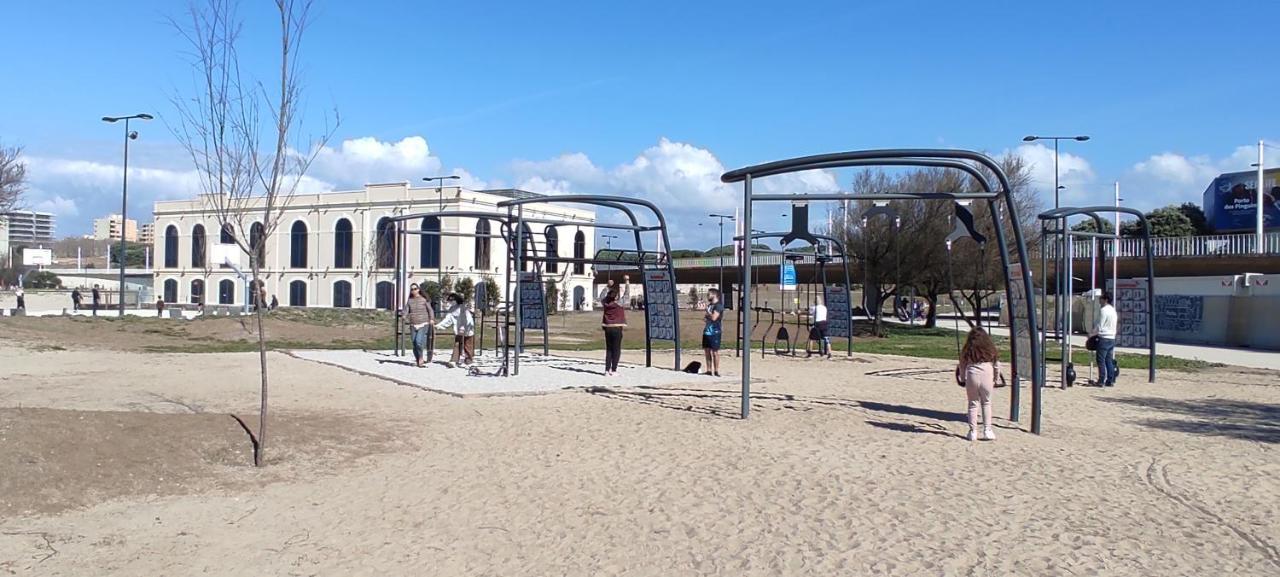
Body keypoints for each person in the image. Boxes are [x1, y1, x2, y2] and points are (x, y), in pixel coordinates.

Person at [957, 328, 1000, 442]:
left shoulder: (967, 350)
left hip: (972, 375)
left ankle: (973, 432)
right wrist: (995, 379)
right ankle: (987, 430)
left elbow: (962, 365)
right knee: (986, 403)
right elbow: (996, 365)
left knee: (973, 404)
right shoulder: (991, 350)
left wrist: (962, 378)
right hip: (987, 375)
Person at [436, 292, 476, 368]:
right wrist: (439, 325)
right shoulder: (452, 309)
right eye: (449, 300)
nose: (450, 302)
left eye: (451, 300)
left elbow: (466, 318)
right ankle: (454, 360)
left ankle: (468, 360)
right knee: (457, 344)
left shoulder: (462, 307)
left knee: (467, 345)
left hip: (467, 328)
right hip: (458, 330)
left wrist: (463, 327)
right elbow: (448, 319)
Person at [1090, 291, 1119, 387]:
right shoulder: (1113, 310)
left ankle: (1101, 380)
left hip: (1104, 338)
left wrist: (1091, 334)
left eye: (1101, 298)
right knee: (1108, 360)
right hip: (1112, 338)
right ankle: (1110, 380)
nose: (1099, 299)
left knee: (1101, 360)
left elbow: (1100, 325)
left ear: (1105, 299)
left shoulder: (1104, 310)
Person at [600, 284, 627, 377]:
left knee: (609, 350)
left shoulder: (605, 303)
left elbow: (601, 296)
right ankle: (614, 370)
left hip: (607, 328)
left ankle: (607, 370)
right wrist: (627, 282)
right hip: (617, 328)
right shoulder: (619, 303)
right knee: (616, 350)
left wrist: (607, 286)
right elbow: (627, 295)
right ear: (616, 297)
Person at [405, 284, 434, 368]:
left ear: (418, 289)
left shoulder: (424, 300)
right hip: (413, 324)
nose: (413, 290)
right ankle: (418, 359)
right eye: (412, 289)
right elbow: (406, 309)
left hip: (423, 323)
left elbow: (430, 310)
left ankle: (421, 358)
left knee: (418, 342)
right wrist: (404, 315)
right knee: (414, 343)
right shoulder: (410, 300)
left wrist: (431, 319)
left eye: (415, 289)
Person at [702, 288, 724, 376]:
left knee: (715, 352)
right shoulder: (710, 305)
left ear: (715, 295)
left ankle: (716, 370)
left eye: (709, 294)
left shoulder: (718, 306)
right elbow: (706, 318)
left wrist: (707, 312)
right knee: (707, 351)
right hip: (707, 331)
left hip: (715, 331)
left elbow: (714, 317)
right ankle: (708, 370)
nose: (708, 296)